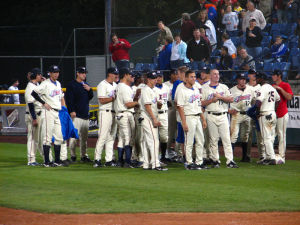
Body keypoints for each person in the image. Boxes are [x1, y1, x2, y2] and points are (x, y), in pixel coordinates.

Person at [201, 69, 238, 168]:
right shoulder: (204, 88)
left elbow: (231, 99)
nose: (217, 76)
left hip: (223, 115)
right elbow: (201, 103)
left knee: (226, 139)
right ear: (210, 76)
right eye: (214, 74)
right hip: (210, 115)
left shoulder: (224, 87)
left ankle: (230, 161)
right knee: (213, 139)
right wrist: (211, 100)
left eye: (218, 74)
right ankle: (215, 160)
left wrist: (220, 97)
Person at [31, 65, 65, 167]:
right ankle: (46, 162)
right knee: (47, 138)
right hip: (48, 112)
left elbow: (61, 97)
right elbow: (34, 93)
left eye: (57, 72)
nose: (56, 74)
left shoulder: (58, 83)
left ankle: (57, 161)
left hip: (57, 112)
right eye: (54, 72)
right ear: (50, 73)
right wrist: (43, 103)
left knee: (59, 137)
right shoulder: (45, 84)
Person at [177, 70, 207, 170]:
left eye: (194, 77)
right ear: (186, 78)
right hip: (188, 117)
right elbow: (180, 107)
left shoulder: (195, 89)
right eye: (191, 77)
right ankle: (189, 162)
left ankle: (199, 162)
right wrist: (184, 122)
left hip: (197, 116)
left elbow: (199, 105)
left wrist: (203, 119)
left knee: (200, 140)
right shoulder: (182, 90)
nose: (193, 78)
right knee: (189, 141)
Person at [139, 71, 168, 171]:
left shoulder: (152, 90)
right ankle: (156, 164)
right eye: (153, 78)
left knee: (148, 142)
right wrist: (154, 119)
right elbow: (147, 106)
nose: (156, 80)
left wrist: (158, 105)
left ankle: (147, 164)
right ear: (148, 79)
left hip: (148, 117)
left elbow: (152, 104)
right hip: (148, 118)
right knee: (154, 141)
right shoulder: (146, 90)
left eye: (156, 78)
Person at [65, 66, 94, 163]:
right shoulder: (71, 85)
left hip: (85, 115)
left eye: (85, 73)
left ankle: (84, 156)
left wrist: (89, 90)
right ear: (77, 73)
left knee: (84, 139)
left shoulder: (85, 85)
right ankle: (73, 155)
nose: (84, 74)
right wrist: (71, 111)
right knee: (73, 138)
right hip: (76, 115)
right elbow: (69, 100)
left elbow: (90, 97)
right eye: (82, 73)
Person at [94, 67, 119, 168]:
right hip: (105, 112)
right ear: (109, 74)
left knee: (111, 137)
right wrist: (113, 98)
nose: (116, 75)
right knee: (103, 136)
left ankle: (108, 160)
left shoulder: (116, 85)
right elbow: (102, 100)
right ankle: (97, 159)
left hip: (114, 113)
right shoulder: (102, 84)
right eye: (114, 74)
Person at [254, 73, 281, 165]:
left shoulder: (263, 88)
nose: (256, 80)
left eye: (258, 78)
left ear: (262, 79)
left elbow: (258, 102)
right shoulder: (272, 88)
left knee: (266, 138)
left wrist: (257, 112)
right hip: (272, 113)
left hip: (264, 114)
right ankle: (268, 157)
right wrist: (274, 109)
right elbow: (278, 100)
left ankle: (271, 158)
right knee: (271, 137)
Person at [114, 68, 139, 168]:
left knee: (121, 138)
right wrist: (138, 102)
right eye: (131, 75)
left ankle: (120, 161)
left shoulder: (119, 86)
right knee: (128, 138)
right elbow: (128, 104)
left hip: (120, 114)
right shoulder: (124, 87)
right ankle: (127, 162)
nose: (133, 77)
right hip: (125, 114)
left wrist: (136, 96)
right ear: (125, 75)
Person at [229, 73, 254, 162]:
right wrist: (228, 110)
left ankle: (245, 157)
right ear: (237, 80)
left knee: (245, 136)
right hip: (236, 115)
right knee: (233, 136)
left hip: (247, 114)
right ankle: (230, 158)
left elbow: (254, 100)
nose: (243, 81)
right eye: (241, 79)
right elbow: (225, 103)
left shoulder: (250, 89)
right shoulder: (231, 90)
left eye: (244, 79)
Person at [271, 70, 293, 163]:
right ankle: (270, 155)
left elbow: (289, 97)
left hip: (282, 114)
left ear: (279, 76)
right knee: (272, 135)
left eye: (274, 75)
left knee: (281, 135)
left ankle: (282, 156)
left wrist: (280, 89)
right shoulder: (271, 86)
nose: (272, 77)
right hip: (273, 114)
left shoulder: (285, 85)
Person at [24, 68, 43, 166]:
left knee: (36, 139)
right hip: (32, 115)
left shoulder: (37, 85)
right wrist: (34, 118)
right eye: (39, 74)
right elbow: (30, 104)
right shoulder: (30, 87)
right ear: (35, 75)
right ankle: (31, 160)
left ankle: (34, 159)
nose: (41, 76)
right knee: (31, 138)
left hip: (38, 113)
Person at [246, 69, 265, 163]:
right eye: (251, 74)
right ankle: (247, 155)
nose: (253, 76)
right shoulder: (245, 87)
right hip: (249, 114)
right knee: (248, 135)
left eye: (254, 75)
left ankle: (262, 155)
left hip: (258, 114)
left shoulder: (260, 87)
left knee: (260, 136)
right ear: (248, 75)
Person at [154, 71, 170, 163]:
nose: (159, 78)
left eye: (160, 76)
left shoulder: (166, 88)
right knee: (154, 137)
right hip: (155, 113)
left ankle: (163, 156)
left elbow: (168, 100)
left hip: (164, 114)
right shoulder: (151, 88)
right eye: (157, 77)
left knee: (164, 137)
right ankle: (155, 157)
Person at [164, 69, 179, 153]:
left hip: (179, 109)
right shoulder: (165, 84)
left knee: (178, 131)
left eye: (177, 74)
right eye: (174, 74)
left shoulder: (181, 84)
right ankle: (167, 150)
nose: (176, 76)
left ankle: (177, 151)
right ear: (170, 75)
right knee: (170, 131)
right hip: (171, 109)